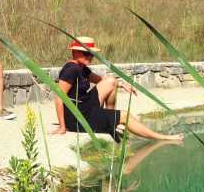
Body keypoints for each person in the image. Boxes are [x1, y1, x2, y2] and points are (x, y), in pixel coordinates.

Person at [53, 36, 183, 141]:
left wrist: (121, 84)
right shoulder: (71, 69)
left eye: (91, 54)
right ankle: (163, 137)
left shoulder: (81, 68)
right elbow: (59, 97)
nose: (90, 57)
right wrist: (63, 127)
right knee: (125, 115)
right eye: (86, 53)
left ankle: (111, 120)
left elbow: (102, 80)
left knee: (111, 81)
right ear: (74, 52)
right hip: (78, 117)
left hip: (85, 105)